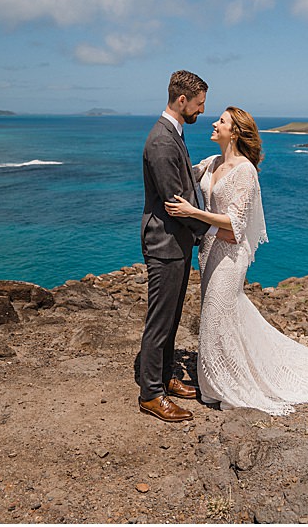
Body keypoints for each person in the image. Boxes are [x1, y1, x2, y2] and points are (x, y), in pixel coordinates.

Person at [165, 107, 308, 415]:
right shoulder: (211, 163)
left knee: (216, 313)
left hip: (230, 254)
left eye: (221, 121)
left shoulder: (246, 171)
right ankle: (217, 379)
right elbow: (183, 171)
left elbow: (234, 223)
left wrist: (192, 213)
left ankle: (227, 384)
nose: (214, 123)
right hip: (208, 252)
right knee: (218, 316)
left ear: (235, 132)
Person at [134, 69, 219, 422]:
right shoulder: (162, 141)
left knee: (172, 317)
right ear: (181, 100)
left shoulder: (173, 133)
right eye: (198, 105)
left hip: (176, 242)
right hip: (165, 243)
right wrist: (211, 231)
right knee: (160, 320)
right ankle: (151, 393)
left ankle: (167, 376)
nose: (202, 112)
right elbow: (175, 201)